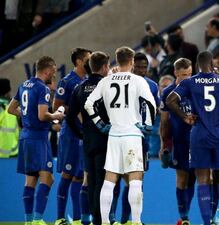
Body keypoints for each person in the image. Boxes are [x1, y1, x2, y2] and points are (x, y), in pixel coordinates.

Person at [85, 46, 156, 225]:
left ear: (117, 60)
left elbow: (89, 104)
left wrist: (101, 124)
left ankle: (105, 222)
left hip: (114, 136)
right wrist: (147, 125)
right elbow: (150, 103)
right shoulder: (138, 81)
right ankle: (136, 221)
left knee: (109, 181)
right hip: (132, 135)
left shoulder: (106, 81)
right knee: (135, 180)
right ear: (132, 61)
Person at [166, 51, 219, 225]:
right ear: (212, 63)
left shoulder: (190, 82)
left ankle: (206, 223)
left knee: (203, 179)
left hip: (199, 135)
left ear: (197, 65)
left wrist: (185, 117)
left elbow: (170, 100)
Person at [7, 56, 64, 225]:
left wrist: (26, 116)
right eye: (53, 71)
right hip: (38, 139)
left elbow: (11, 109)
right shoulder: (42, 89)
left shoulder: (24, 85)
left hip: (25, 137)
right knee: (48, 179)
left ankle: (29, 221)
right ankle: (38, 220)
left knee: (30, 180)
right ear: (47, 70)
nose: (54, 74)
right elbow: (42, 115)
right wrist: (56, 116)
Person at [66, 51, 110, 225]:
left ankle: (92, 218)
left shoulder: (80, 87)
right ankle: (99, 219)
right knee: (102, 180)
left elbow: (70, 118)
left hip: (88, 141)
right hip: (105, 139)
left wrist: (82, 134)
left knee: (90, 180)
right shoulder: (106, 86)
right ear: (105, 67)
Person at [54, 47, 92, 225]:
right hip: (70, 133)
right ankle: (60, 218)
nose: (90, 63)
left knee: (79, 175)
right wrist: (75, 111)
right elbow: (57, 106)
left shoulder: (88, 80)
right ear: (78, 61)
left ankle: (77, 219)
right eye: (87, 59)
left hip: (84, 134)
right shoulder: (67, 81)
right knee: (68, 175)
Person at [159, 58, 196, 225]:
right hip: (180, 141)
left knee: (195, 178)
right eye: (183, 75)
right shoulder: (168, 92)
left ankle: (186, 214)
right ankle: (184, 217)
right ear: (176, 73)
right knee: (182, 178)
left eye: (189, 74)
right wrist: (163, 146)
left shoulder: (197, 88)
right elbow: (164, 122)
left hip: (197, 141)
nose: (187, 78)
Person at [0, 78, 19, 158]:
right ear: (7, 91)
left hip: (7, 153)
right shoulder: (12, 106)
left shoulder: (9, 106)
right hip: (12, 152)